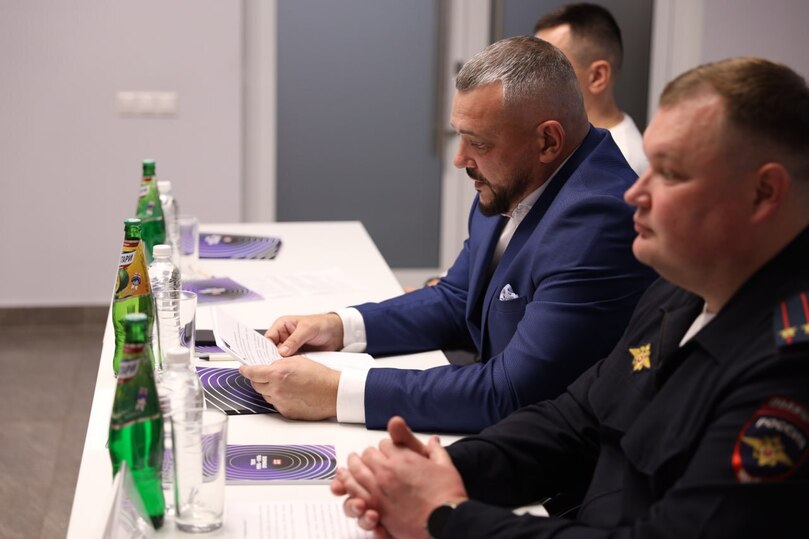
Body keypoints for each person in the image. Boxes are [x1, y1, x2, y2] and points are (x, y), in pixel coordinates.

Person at [332, 57, 809, 537]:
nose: (635, 193)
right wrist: (437, 470)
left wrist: (446, 517)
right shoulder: (681, 291)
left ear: (763, 193)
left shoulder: (787, 365)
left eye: (668, 173)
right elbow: (577, 420)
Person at [241, 36, 656, 433]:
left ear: (548, 140)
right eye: (460, 136)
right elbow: (459, 297)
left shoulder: (597, 219)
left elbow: (512, 392)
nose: (460, 159)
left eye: (478, 143)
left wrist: (336, 392)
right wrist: (339, 327)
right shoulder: (514, 177)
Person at [535, 3, 648, 175]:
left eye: (549, 67)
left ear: (597, 76)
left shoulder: (620, 164)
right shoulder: (566, 141)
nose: (532, 79)